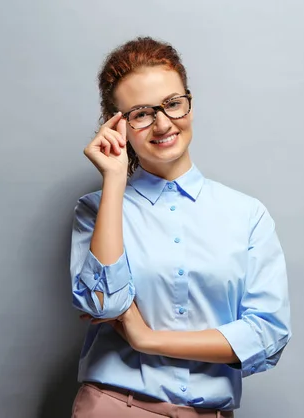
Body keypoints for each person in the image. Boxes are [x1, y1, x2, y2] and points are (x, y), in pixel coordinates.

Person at [70, 36, 291, 418]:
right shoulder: (96, 209)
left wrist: (148, 339)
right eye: (141, 113)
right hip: (115, 408)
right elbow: (102, 304)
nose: (163, 123)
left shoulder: (247, 215)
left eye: (173, 104)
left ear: (188, 102)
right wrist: (114, 180)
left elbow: (267, 335)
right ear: (117, 125)